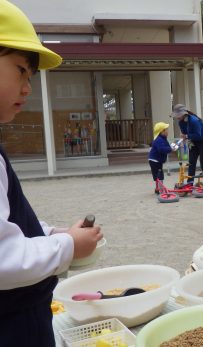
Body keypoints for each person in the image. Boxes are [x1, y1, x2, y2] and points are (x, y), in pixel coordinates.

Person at [0, 1, 103, 345]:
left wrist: (50, 231)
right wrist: (68, 245)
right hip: (13, 322)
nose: (28, 87)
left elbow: (9, 226)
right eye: (20, 70)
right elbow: (4, 259)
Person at [170, 104, 203, 183]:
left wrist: (186, 136)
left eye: (178, 115)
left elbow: (197, 135)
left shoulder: (194, 120)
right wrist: (184, 138)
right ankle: (190, 182)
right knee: (191, 162)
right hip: (193, 141)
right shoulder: (180, 122)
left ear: (183, 113)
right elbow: (185, 134)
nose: (177, 117)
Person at [148, 122, 175, 194]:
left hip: (157, 160)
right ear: (161, 132)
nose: (167, 131)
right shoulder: (158, 140)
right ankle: (160, 189)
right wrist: (170, 149)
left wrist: (174, 147)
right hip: (154, 160)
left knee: (157, 174)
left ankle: (158, 188)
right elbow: (161, 149)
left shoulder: (163, 138)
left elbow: (167, 147)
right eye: (165, 130)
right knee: (159, 175)